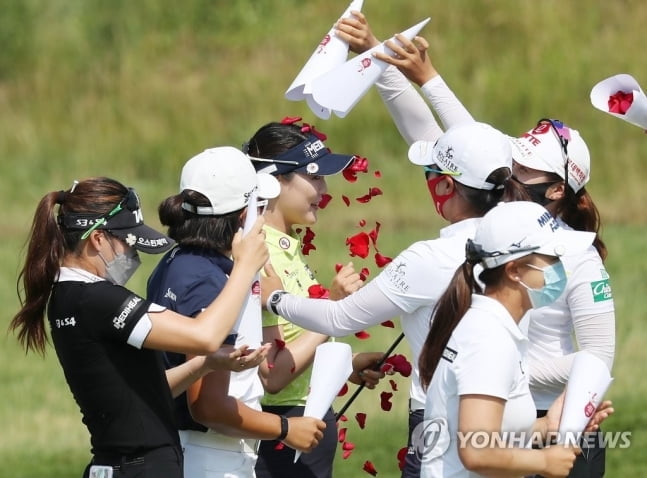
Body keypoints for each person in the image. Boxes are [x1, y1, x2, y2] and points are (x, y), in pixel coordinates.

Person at [338, 14, 616, 476]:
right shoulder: (501, 227)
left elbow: (598, 358)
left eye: (521, 168)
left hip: (553, 423)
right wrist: (382, 59)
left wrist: (510, 370)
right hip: (489, 411)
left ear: (555, 191)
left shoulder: (578, 252)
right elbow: (456, 144)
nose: (507, 172)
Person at [260, 121, 528, 476]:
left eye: (431, 175)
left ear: (446, 185)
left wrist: (275, 297)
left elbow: (340, 318)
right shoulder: (526, 241)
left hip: (447, 424)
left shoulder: (429, 257)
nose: (325, 190)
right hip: (514, 414)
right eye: (317, 177)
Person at [9, 177, 280, 478]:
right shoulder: (98, 299)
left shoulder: (69, 295)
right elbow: (204, 336)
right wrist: (244, 267)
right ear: (97, 239)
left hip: (120, 465)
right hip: (139, 467)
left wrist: (206, 365)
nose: (132, 253)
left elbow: (144, 391)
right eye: (127, 241)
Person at [146, 146, 327, 478]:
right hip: (209, 455)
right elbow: (207, 406)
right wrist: (285, 428)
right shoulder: (211, 281)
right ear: (244, 214)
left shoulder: (177, 262)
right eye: (260, 205)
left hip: (188, 448)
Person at [417, 200, 612, 478]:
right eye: (552, 258)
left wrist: (546, 427)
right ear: (514, 270)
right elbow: (476, 451)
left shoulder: (498, 329)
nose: (560, 269)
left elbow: (491, 433)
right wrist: (544, 462)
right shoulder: (488, 339)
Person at [244, 117, 387, 478]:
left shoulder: (283, 247)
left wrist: (345, 366)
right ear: (274, 182)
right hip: (282, 428)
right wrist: (333, 309)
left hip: (302, 420)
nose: (324, 189)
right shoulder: (259, 254)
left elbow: (292, 346)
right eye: (315, 177)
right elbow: (272, 376)